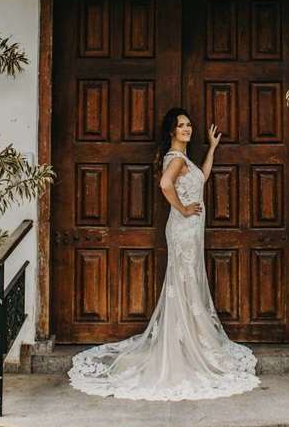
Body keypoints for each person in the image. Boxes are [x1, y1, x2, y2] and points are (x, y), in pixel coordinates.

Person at [67, 107, 260, 401]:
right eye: (182, 125)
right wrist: (182, 209)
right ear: (171, 131)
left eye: (189, 125)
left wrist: (212, 149)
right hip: (183, 230)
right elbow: (165, 184)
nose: (187, 129)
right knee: (184, 283)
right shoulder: (175, 159)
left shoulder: (183, 159)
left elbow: (202, 178)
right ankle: (184, 347)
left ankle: (188, 340)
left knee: (188, 282)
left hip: (190, 231)